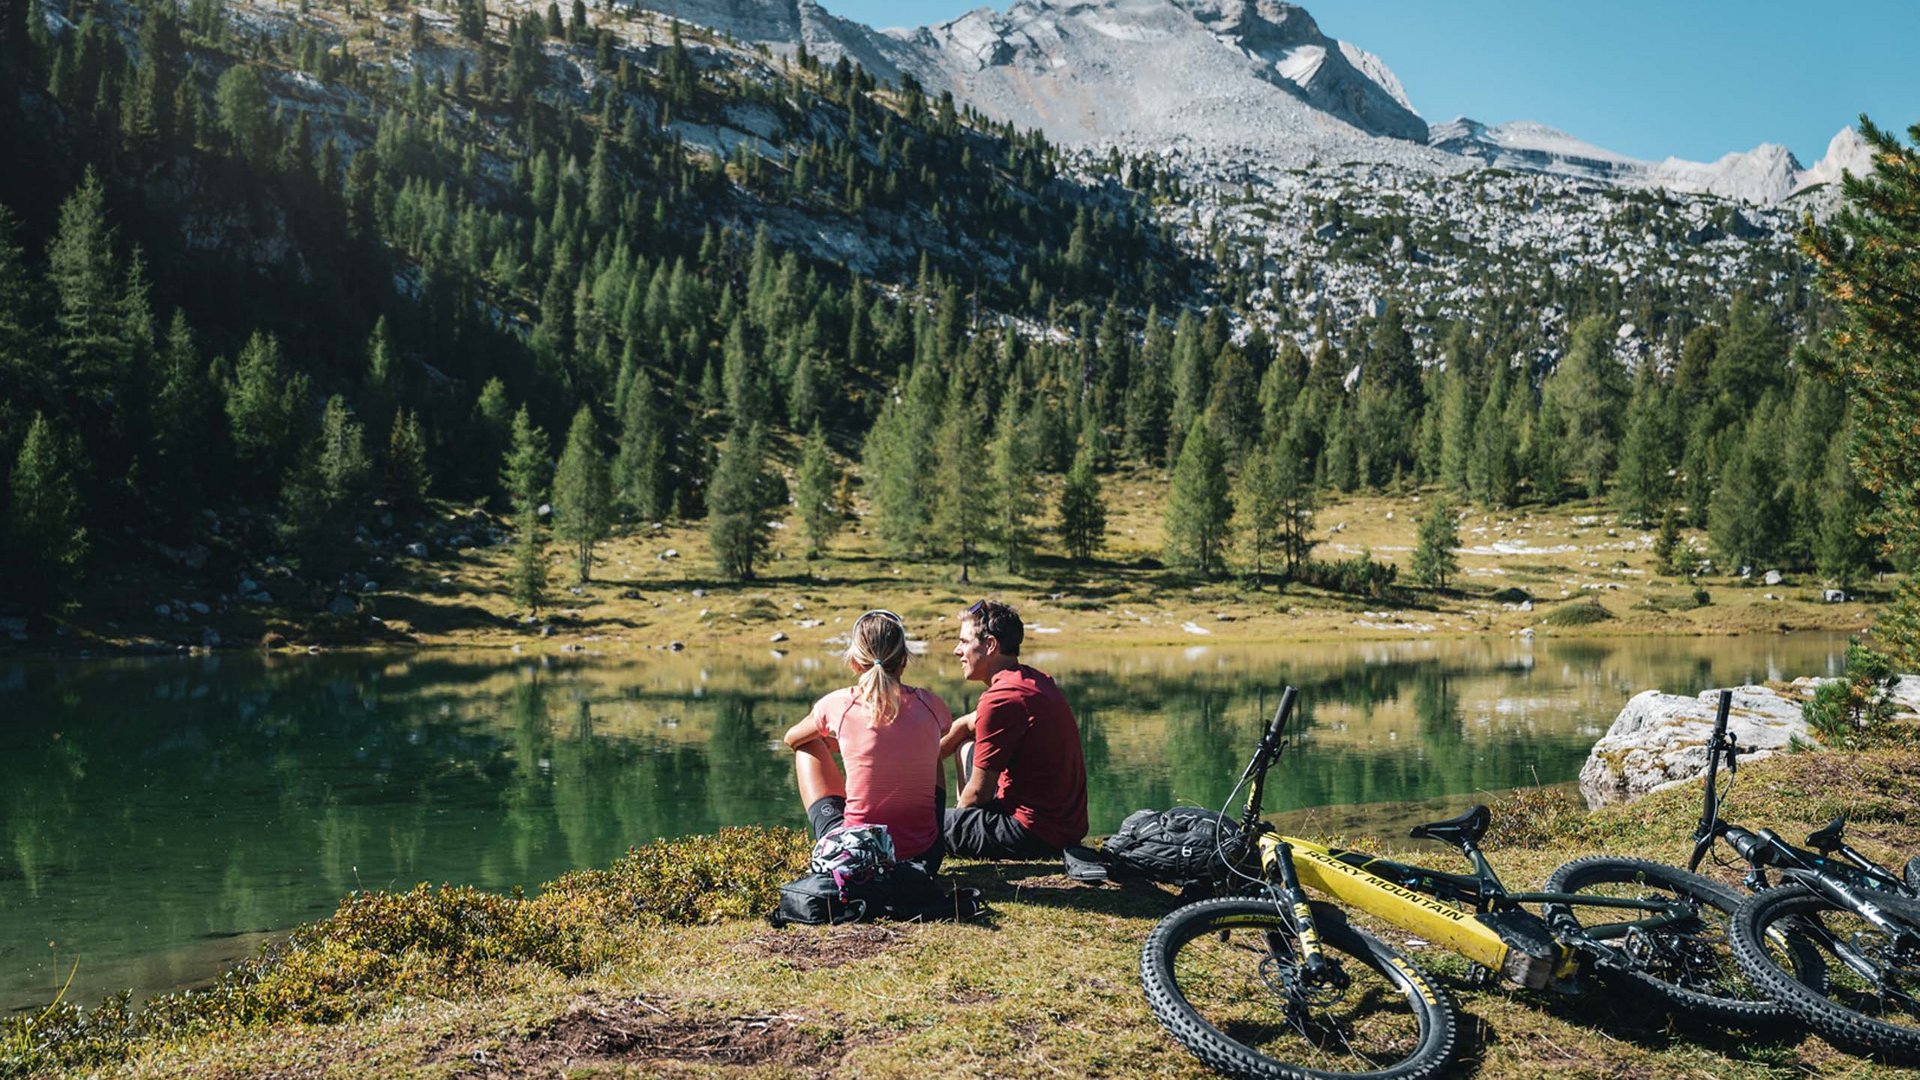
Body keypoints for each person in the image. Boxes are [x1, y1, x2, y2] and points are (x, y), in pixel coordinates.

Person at [784, 609, 952, 867]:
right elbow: (942, 730)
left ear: (853, 662)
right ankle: (924, 832)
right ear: (904, 660)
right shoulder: (931, 704)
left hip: (860, 857)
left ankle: (844, 827)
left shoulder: (839, 704)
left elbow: (791, 738)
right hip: (926, 857)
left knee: (808, 744)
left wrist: (838, 743)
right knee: (931, 750)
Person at [939, 599, 1088, 859]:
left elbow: (978, 794)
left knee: (927, 826)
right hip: (1066, 827)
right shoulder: (1033, 680)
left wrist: (959, 824)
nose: (956, 651)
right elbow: (966, 724)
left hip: (1032, 832)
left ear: (990, 645)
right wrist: (922, 759)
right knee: (966, 747)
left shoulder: (1001, 698)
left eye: (964, 642)